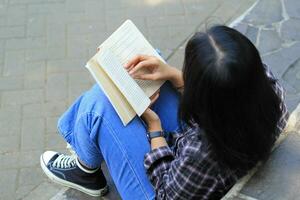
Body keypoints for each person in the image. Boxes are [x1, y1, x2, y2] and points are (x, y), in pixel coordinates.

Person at [40, 25, 289, 200]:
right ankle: (87, 157)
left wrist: (154, 128)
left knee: (97, 108)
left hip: (170, 188)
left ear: (201, 92)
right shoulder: (266, 86)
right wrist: (170, 74)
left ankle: (85, 168)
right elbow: (219, 103)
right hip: (220, 146)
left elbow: (168, 192)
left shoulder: (200, 152)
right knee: (149, 66)